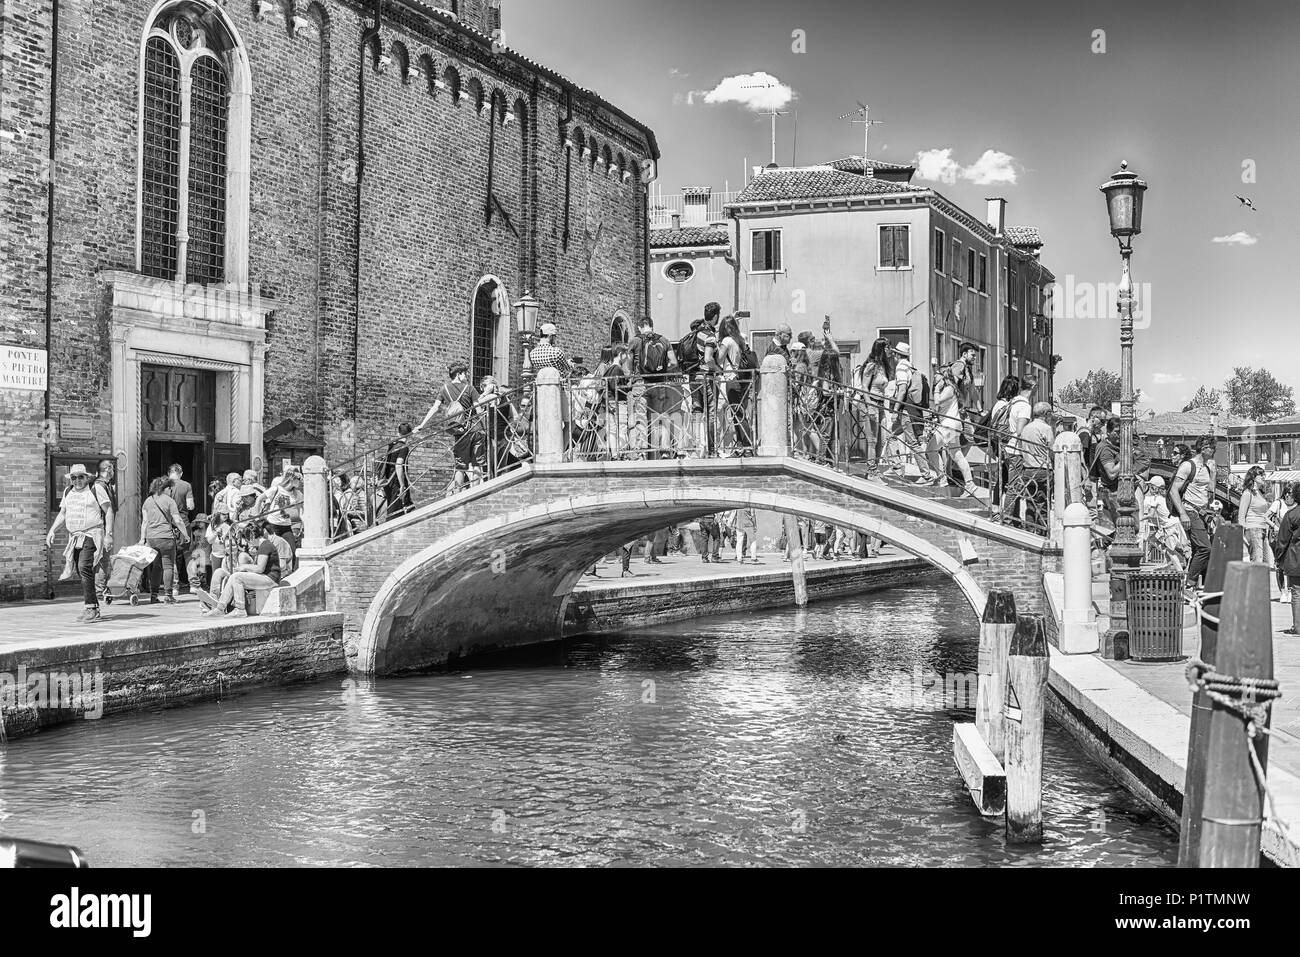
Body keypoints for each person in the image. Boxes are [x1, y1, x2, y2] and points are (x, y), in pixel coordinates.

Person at [46, 463, 113, 622]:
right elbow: (63, 513)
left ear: (87, 477)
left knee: (84, 566)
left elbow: (108, 510)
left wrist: (108, 534)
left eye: (80, 477)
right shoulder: (68, 492)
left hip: (92, 534)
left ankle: (90, 608)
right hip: (75, 537)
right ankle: (93, 607)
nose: (77, 480)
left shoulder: (96, 489)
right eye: (74, 477)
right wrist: (52, 530)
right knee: (80, 569)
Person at [417, 362, 483, 493]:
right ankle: (475, 493)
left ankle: (457, 494)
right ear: (458, 374)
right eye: (465, 373)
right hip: (475, 428)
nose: (466, 376)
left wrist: (422, 425)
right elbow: (479, 409)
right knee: (477, 464)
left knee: (460, 467)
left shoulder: (444, 389)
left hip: (459, 430)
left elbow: (435, 408)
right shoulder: (470, 389)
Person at [200, 521, 286, 618]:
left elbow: (260, 568)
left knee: (237, 577)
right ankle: (220, 608)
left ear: (252, 536)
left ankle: (240, 609)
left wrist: (244, 567)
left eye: (248, 540)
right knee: (234, 577)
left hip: (270, 579)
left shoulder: (265, 546)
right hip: (266, 577)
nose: (249, 543)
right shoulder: (263, 545)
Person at [1171, 435, 1219, 592]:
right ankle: (1189, 585)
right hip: (1190, 511)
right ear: (1205, 448)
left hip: (1202, 512)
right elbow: (1173, 491)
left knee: (1199, 550)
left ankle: (1190, 586)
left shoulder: (1206, 468)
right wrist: (1183, 513)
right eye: (1213, 448)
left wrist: (1213, 475)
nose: (1214, 452)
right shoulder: (1187, 465)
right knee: (1205, 548)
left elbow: (1210, 496)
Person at [627, 316, 678, 459]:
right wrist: (662, 371)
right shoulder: (664, 340)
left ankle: (642, 452)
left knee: (641, 418)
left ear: (639, 327)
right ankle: (664, 450)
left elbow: (628, 363)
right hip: (659, 383)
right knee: (662, 416)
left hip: (641, 383)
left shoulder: (635, 341)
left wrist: (630, 378)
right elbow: (673, 362)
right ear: (652, 325)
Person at [928, 360, 978, 497]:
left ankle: (942, 477)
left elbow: (937, 401)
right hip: (950, 425)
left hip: (948, 426)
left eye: (942, 377)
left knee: (935, 450)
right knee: (954, 454)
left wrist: (936, 389)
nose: (940, 379)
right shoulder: (952, 388)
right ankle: (967, 483)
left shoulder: (949, 389)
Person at [139, 475, 190, 603]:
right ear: (165, 488)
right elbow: (177, 520)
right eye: (170, 488)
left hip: (151, 538)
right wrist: (186, 534)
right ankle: (168, 595)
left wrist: (142, 539)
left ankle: (154, 595)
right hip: (166, 537)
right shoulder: (169, 501)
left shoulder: (148, 501)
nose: (170, 491)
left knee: (156, 566)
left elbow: (144, 522)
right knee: (168, 566)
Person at [999, 377, 1036, 525]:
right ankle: (1007, 519)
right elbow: (1020, 431)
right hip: (1016, 450)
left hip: (1008, 447)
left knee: (1014, 485)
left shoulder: (1013, 401)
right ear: (1033, 387)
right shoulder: (1025, 406)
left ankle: (1014, 520)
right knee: (1014, 487)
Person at [855, 338, 895, 469]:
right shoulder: (871, 366)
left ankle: (875, 469)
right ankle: (871, 470)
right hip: (871, 403)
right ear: (881, 349)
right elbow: (864, 387)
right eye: (888, 347)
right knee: (872, 440)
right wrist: (870, 405)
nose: (890, 350)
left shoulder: (883, 366)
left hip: (881, 404)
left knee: (882, 439)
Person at [1016, 402, 1055, 532]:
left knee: (1030, 504)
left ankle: (1030, 530)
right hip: (1042, 470)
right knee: (1043, 504)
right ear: (1046, 414)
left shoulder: (1026, 428)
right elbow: (1052, 450)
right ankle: (1042, 532)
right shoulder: (1046, 429)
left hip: (1027, 470)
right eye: (1050, 413)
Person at [261, 467, 303, 564]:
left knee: (292, 551)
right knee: (273, 551)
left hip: (286, 526)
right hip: (272, 525)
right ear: (292, 479)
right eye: (299, 479)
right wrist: (256, 514)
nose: (300, 482)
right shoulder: (276, 489)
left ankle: (291, 573)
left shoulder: (298, 494)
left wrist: (304, 525)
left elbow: (302, 512)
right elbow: (259, 499)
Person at [92, 458, 119, 602]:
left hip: (100, 528)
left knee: (102, 560)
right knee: (103, 560)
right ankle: (99, 591)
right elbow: (107, 510)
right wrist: (108, 534)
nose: (113, 471)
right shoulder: (100, 486)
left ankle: (99, 590)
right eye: (112, 469)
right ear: (108, 469)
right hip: (100, 529)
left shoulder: (104, 485)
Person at [167, 464, 196, 594]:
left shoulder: (163, 485)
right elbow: (190, 506)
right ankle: (193, 584)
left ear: (169, 473)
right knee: (188, 553)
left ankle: (174, 587)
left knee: (171, 555)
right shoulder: (186, 486)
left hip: (168, 524)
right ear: (181, 473)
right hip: (183, 522)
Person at [1275, 482, 1300, 634]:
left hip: (1296, 559)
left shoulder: (1291, 515)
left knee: (1297, 592)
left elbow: (1282, 541)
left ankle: (1298, 627)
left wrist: (1279, 559)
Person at [1238, 465, 1274, 566]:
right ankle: (1254, 582)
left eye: (1264, 474)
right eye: (1260, 474)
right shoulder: (1248, 493)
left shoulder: (1260, 493)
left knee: (1265, 563)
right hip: (1253, 529)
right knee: (1257, 562)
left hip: (1263, 530)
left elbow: (1264, 515)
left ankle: (1260, 581)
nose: (1263, 477)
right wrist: (1243, 536)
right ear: (1253, 477)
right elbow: (1241, 516)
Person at [1268, 486, 1294, 603]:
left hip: (1292, 538)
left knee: (1291, 564)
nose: (1289, 495)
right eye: (1287, 493)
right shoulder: (1278, 503)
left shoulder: (1296, 505)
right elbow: (1266, 517)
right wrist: (1275, 526)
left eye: (1291, 493)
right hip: (1279, 538)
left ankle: (1291, 590)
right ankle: (1283, 591)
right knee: (1280, 564)